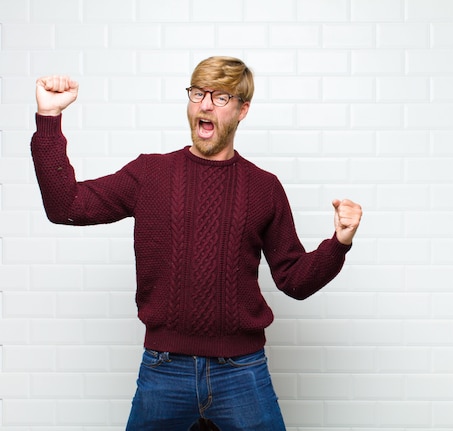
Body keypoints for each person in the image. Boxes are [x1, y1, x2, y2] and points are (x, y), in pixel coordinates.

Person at [30, 56, 362, 431]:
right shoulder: (149, 174)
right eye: (198, 93)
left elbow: (294, 280)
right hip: (163, 368)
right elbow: (66, 206)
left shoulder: (264, 188)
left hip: (242, 371)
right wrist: (49, 120)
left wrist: (338, 243)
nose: (205, 104)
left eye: (220, 97)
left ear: (242, 110)